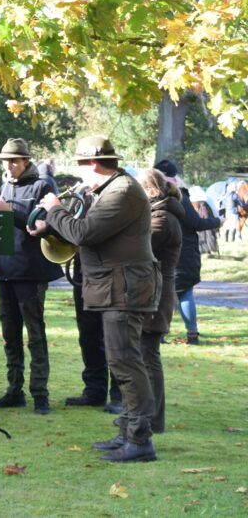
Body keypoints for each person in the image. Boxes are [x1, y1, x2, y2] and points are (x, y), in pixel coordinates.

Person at [30, 136, 160, 462]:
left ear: (93, 164)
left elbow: (84, 233)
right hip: (113, 286)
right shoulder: (106, 191)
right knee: (121, 361)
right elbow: (83, 232)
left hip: (124, 287)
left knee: (126, 361)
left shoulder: (123, 192)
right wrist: (50, 226)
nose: (79, 173)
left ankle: (140, 439)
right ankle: (127, 432)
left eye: (81, 165)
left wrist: (55, 209)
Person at [0, 138, 63, 415]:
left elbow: (45, 223)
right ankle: (13, 391)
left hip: (32, 270)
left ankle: (40, 394)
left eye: (14, 161)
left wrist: (11, 212)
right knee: (10, 335)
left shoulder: (43, 185)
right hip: (5, 270)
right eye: (5, 161)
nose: (9, 165)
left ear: (26, 161)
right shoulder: (5, 184)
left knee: (36, 335)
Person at [154, 159, 222, 345]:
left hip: (157, 251)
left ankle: (158, 333)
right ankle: (192, 334)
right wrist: (218, 221)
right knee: (184, 293)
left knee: (161, 293)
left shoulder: (149, 195)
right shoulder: (179, 197)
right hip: (182, 253)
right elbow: (196, 223)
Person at [136, 168, 183, 434]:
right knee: (145, 357)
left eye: (139, 190)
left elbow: (137, 247)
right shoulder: (159, 214)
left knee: (148, 357)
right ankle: (146, 416)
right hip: (152, 293)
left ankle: (154, 420)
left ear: (152, 192)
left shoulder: (162, 218)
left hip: (156, 295)